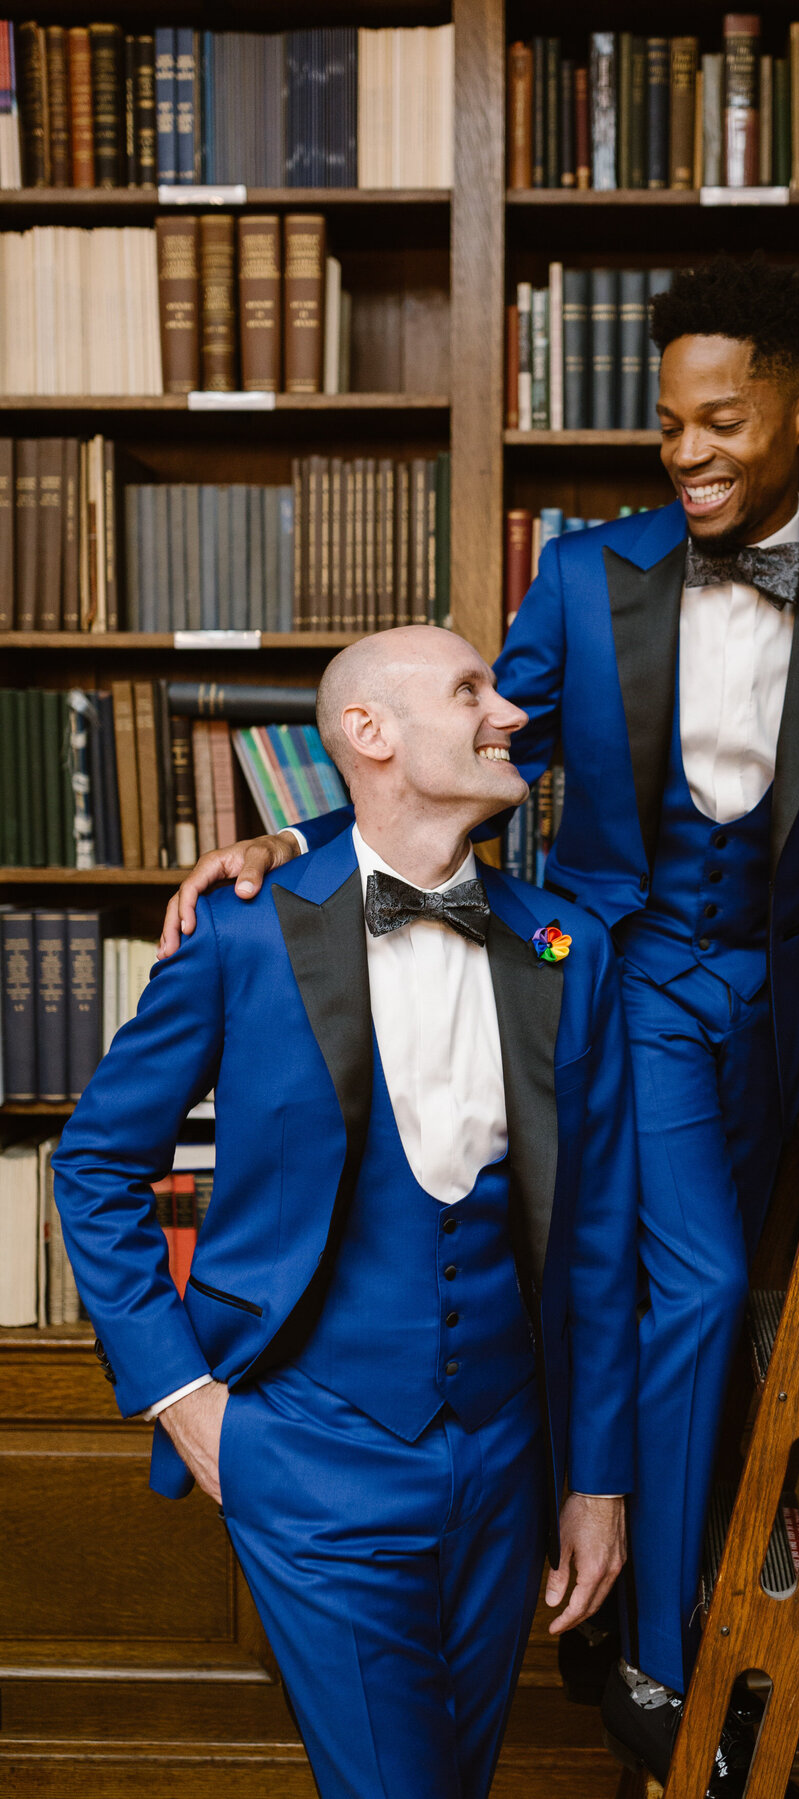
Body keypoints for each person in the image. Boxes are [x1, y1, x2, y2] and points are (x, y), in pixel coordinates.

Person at [157, 258, 799, 1792]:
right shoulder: (585, 575)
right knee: (703, 1290)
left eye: (723, 420)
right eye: (668, 425)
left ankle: (623, 1616)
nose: (690, 452)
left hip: (766, 1008)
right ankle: (661, 1658)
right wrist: (286, 852)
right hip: (613, 977)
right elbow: (465, 747)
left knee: (672, 1311)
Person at [52, 627, 639, 1799]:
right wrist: (185, 1399)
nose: (512, 711)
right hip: (307, 1454)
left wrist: (597, 1481)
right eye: (471, 690)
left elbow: (598, 1238)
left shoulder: (567, 951)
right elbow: (94, 1166)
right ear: (370, 732)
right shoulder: (240, 929)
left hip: (508, 1462)